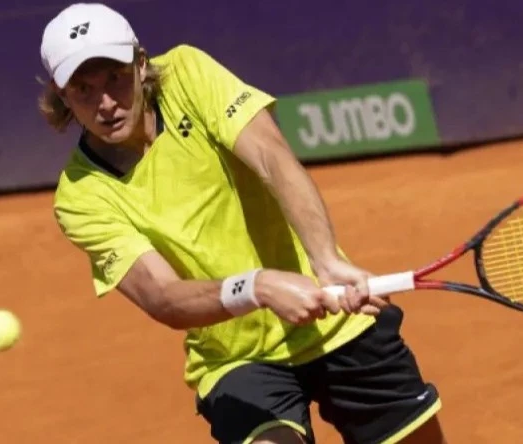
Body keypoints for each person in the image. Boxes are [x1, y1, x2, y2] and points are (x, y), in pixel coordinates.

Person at [38, 3, 447, 443]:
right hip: (237, 358)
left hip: (335, 320)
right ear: (63, 98)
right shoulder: (80, 195)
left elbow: (271, 156)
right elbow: (163, 296)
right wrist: (257, 286)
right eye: (83, 89)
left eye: (115, 78)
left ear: (141, 65)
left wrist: (325, 260)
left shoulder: (185, 73)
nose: (105, 103)